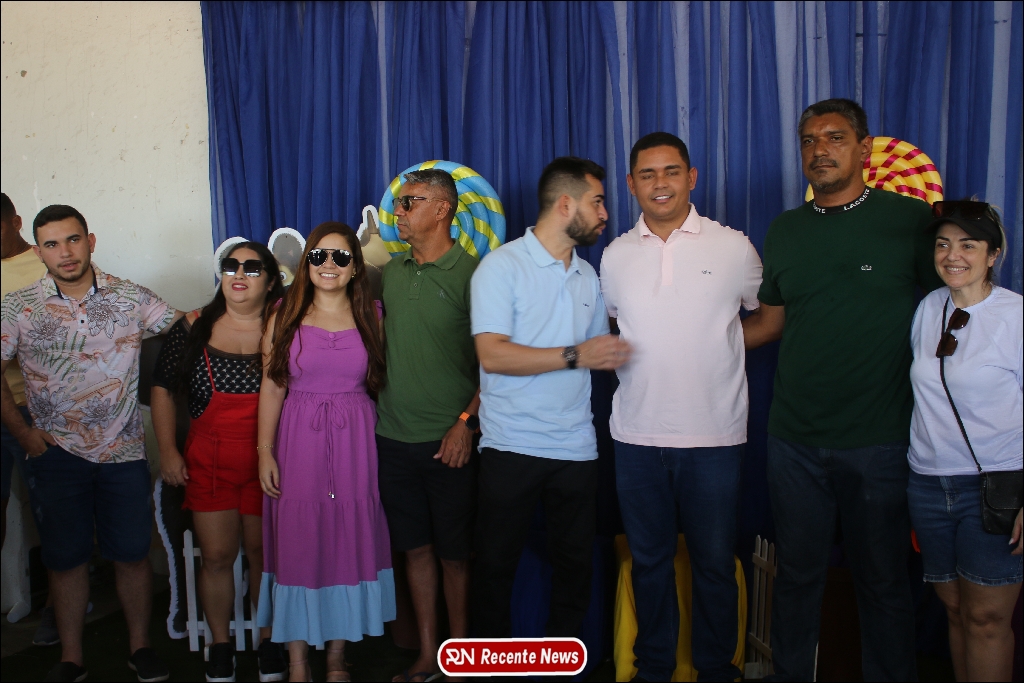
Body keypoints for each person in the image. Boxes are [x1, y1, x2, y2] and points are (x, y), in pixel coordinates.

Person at [742, 98, 944, 681]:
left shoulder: (910, 222)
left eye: (834, 137)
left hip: (879, 439)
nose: (819, 149)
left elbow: (949, 306)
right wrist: (687, 342)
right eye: (809, 140)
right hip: (794, 441)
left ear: (862, 148)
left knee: (883, 581)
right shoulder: (785, 230)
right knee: (796, 578)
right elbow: (769, 324)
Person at [600, 133, 762, 681]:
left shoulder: (734, 247)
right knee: (649, 563)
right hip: (636, 436)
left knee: (714, 564)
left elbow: (767, 315)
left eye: (671, 171)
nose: (660, 183)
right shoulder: (615, 256)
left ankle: (717, 671)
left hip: (714, 436)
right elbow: (615, 326)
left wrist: (723, 346)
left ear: (691, 177)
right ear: (631, 184)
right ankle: (654, 669)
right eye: (647, 174)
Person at [0, 204, 182, 683]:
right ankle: (72, 658)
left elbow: (188, 327)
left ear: (91, 241)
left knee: (132, 555)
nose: (65, 252)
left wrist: (258, 304)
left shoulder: (130, 297)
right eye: (52, 244)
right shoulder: (18, 307)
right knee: (65, 561)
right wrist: (24, 434)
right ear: (39, 251)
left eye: (73, 239)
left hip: (124, 451)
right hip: (55, 455)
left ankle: (140, 648)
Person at [470, 156, 631, 639]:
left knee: (575, 568)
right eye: (597, 202)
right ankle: (493, 668)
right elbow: (492, 355)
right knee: (494, 569)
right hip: (510, 446)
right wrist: (577, 355)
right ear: (565, 205)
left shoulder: (587, 275)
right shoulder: (501, 267)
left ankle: (563, 665)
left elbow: (598, 351)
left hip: (575, 447)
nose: (605, 213)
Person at [256, 222, 395, 683]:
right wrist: (264, 452)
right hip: (298, 439)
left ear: (355, 267)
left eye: (340, 256)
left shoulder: (372, 315)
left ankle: (337, 656)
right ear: (306, 264)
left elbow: (384, 382)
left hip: (357, 440)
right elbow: (272, 387)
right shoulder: (284, 315)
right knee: (298, 538)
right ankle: (298, 662)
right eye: (318, 256)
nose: (329, 264)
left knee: (347, 539)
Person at [151, 241, 287, 682]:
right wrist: (168, 451)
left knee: (264, 555)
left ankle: (269, 641)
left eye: (252, 267)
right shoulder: (193, 326)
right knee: (216, 556)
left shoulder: (286, 327)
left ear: (271, 281)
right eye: (230, 266)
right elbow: (161, 389)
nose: (239, 274)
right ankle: (220, 645)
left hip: (269, 463)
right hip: (208, 461)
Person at [907, 201, 1022, 683]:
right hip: (929, 485)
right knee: (955, 610)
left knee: (986, 618)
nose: (953, 255)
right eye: (943, 244)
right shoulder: (929, 307)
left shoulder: (1015, 315)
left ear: (993, 255)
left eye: (968, 245)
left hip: (995, 488)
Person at [376, 169, 480, 683]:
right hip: (392, 439)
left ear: (442, 210)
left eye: (410, 202)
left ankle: (458, 658)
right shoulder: (391, 274)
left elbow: (496, 361)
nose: (399, 212)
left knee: (456, 556)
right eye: (399, 203)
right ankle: (427, 653)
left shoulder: (475, 275)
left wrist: (466, 423)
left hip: (449, 442)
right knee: (414, 550)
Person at [0, 193, 59, 648]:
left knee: (55, 511)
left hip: (34, 407)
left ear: (16, 222)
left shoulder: (43, 265)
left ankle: (59, 608)